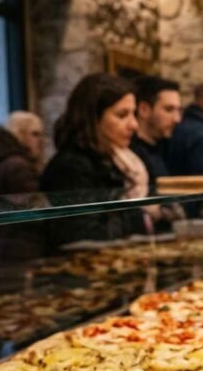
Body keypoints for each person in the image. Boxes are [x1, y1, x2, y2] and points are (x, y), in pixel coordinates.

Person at [40, 73, 146, 249]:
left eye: (133, 114)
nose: (134, 124)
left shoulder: (114, 162)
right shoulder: (70, 167)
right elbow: (79, 239)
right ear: (93, 118)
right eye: (122, 115)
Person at [0, 126, 43, 265]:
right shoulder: (17, 165)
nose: (41, 140)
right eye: (35, 133)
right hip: (21, 246)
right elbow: (33, 210)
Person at [131, 75, 181, 180]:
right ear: (144, 110)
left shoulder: (165, 147)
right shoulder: (133, 154)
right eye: (169, 109)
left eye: (179, 110)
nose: (177, 119)